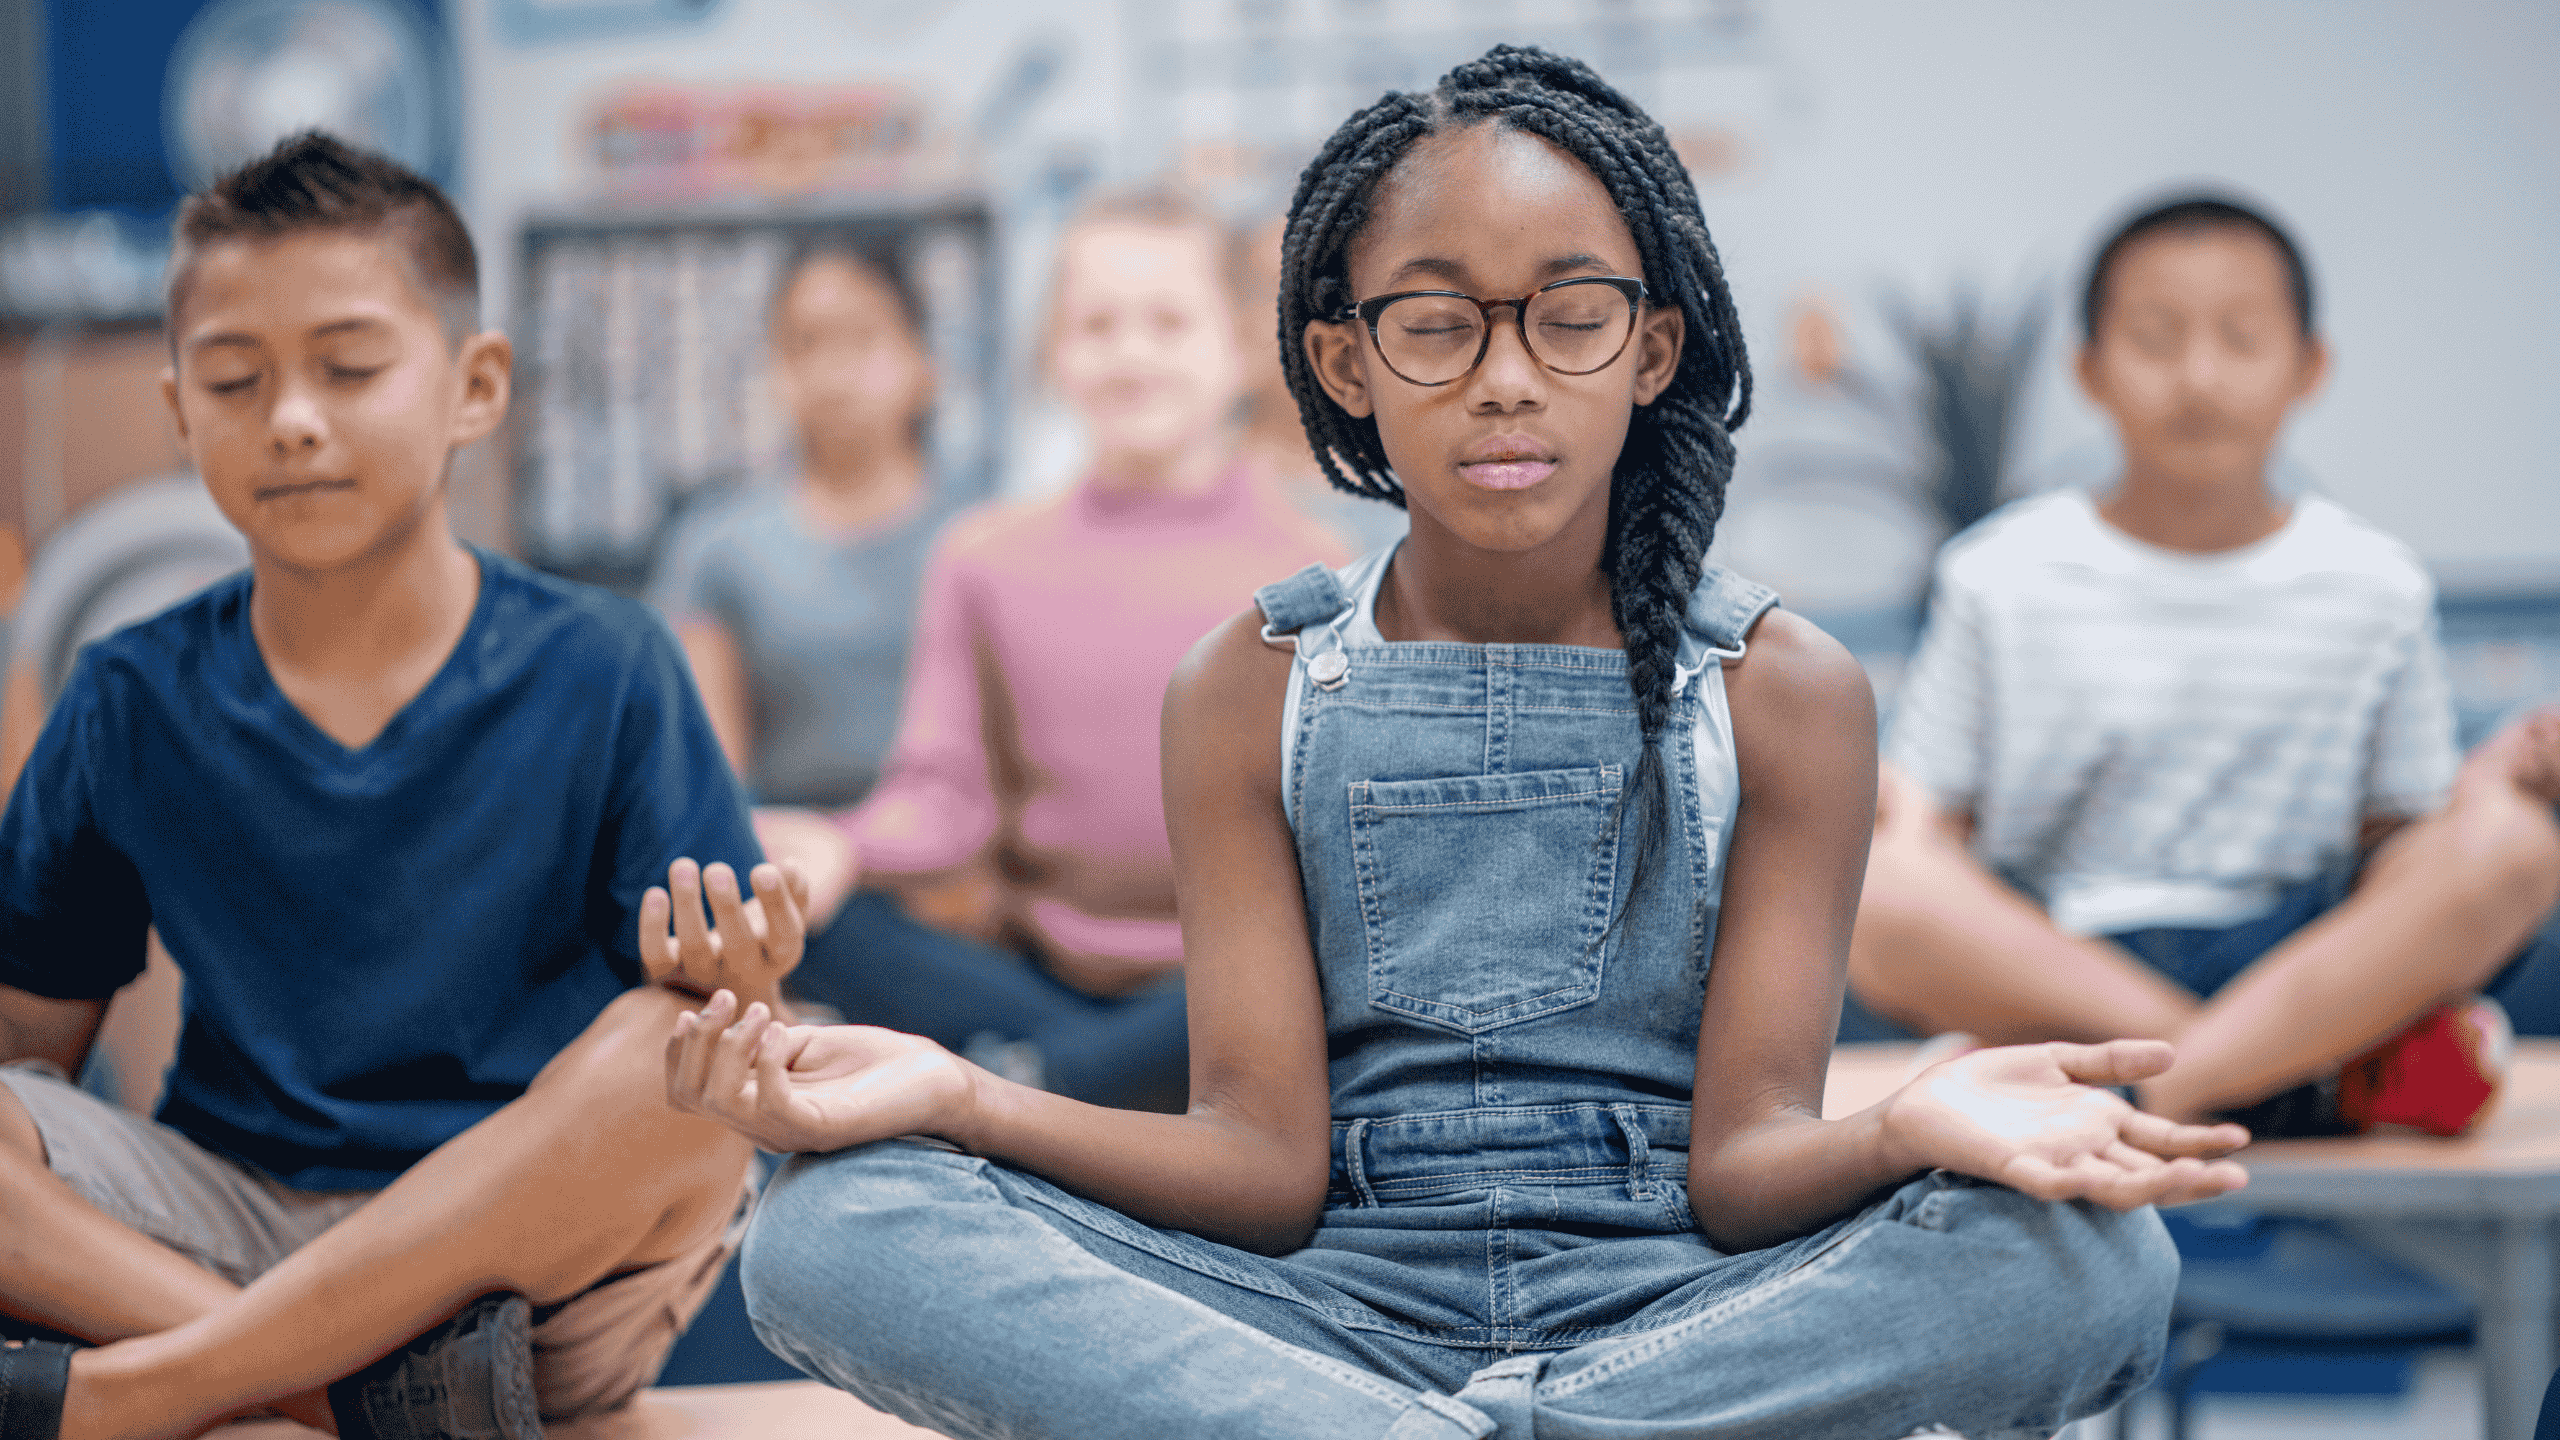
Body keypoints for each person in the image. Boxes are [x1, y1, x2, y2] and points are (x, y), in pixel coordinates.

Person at [662, 49, 2247, 1439]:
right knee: (828, 1231)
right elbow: (1263, 1167)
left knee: (2096, 1260)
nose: (1504, 383)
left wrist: (1907, 1126)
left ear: (1653, 349)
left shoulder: (1786, 689)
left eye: (1570, 321)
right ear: (1344, 361)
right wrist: (952, 1094)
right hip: (1327, 1314)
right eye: (1434, 326)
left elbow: (1747, 1165)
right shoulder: (1247, 682)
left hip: (1681, 1315)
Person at [0, 133, 806, 1439]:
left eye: (351, 365)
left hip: (518, 1285)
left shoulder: (606, 665)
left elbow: (715, 1057)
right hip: (227, 1230)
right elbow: (28, 1061)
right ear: (178, 413)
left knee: (668, 1058)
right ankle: (340, 1395)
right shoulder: (126, 696)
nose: (294, 417)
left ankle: (161, 1392)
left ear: (476, 385)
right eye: (234, 379)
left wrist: (747, 990)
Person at [1849, 194, 2560, 1136]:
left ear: (2309, 366)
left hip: (2303, 949)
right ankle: (2297, 1078)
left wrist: (2480, 795)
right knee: (1865, 879)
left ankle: (2143, 1089)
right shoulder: (1994, 573)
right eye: (2154, 338)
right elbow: (1930, 831)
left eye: (2241, 336)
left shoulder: (2376, 583)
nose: (2199, 376)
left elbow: (2397, 846)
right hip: (2061, 955)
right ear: (2089, 370)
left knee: (2515, 844)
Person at [774, 185, 1346, 1108]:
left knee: (1340, 961)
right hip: (1042, 982)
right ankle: (1074, 1084)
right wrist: (831, 848)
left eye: (1168, 322)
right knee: (821, 922)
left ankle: (1027, 1091)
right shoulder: (983, 558)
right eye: (1096, 324)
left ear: (1242, 350)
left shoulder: (1322, 569)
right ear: (1052, 354)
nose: (1131, 354)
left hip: (1233, 992)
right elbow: (946, 802)